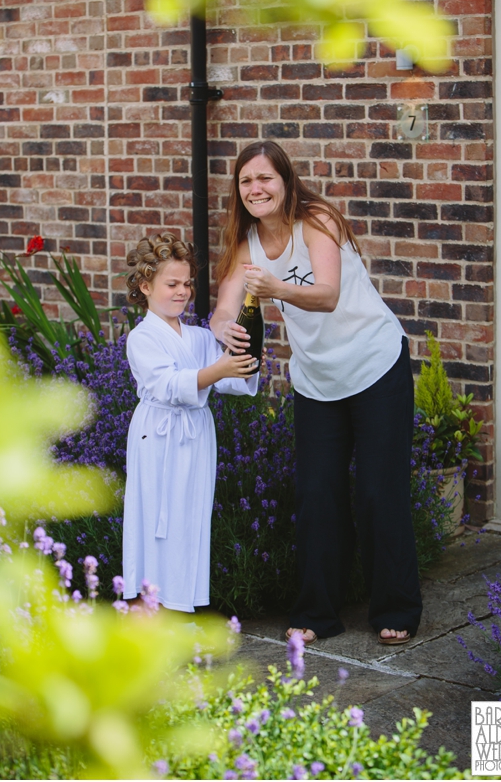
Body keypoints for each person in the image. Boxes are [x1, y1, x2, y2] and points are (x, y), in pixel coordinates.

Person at [210, 141, 422, 646]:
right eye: (246, 182)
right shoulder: (247, 244)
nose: (255, 189)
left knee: (377, 491)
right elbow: (223, 306)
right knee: (317, 494)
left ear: (286, 181)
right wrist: (223, 328)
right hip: (317, 382)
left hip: (375, 366)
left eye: (265, 179)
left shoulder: (318, 220)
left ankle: (396, 608)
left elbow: (326, 294)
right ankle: (317, 613)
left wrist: (276, 288)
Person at [121, 233, 260, 612]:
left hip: (196, 435)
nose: (182, 292)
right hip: (159, 435)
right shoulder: (141, 338)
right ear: (145, 286)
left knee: (188, 520)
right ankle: (147, 608)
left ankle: (180, 603)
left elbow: (230, 380)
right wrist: (218, 368)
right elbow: (167, 384)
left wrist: (247, 357)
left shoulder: (199, 336)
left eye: (187, 284)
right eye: (171, 284)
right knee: (155, 519)